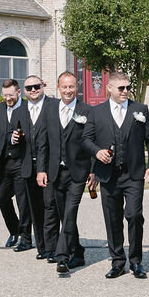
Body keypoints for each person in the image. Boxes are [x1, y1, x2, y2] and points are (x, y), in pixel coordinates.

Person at [82, 72, 149, 279]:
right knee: (112, 218)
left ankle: (136, 261)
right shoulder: (97, 112)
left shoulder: (139, 110)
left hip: (133, 174)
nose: (126, 91)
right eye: (121, 88)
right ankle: (117, 261)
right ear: (110, 88)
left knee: (134, 215)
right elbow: (86, 139)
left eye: (128, 87)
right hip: (107, 175)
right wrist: (97, 151)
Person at [35, 71, 95, 275]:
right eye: (64, 87)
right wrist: (41, 170)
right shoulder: (49, 108)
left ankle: (62, 257)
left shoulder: (86, 110)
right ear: (58, 87)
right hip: (54, 172)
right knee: (64, 215)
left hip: (78, 172)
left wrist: (93, 171)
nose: (68, 91)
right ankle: (78, 252)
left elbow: (93, 142)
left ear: (76, 87)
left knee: (70, 212)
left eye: (71, 87)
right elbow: (42, 142)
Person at [0, 79, 34, 251]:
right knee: (1, 198)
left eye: (11, 95)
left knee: (23, 201)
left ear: (18, 93)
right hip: (3, 163)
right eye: (4, 95)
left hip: (22, 162)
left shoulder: (28, 108)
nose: (8, 98)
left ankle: (26, 238)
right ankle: (14, 231)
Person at [22, 75, 50, 260]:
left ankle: (56, 246)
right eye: (29, 88)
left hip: (48, 166)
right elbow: (7, 131)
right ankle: (42, 248)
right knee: (36, 209)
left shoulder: (54, 106)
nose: (33, 90)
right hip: (27, 166)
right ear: (24, 91)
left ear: (43, 86)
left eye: (36, 86)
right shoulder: (20, 109)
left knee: (51, 207)